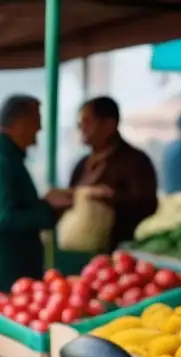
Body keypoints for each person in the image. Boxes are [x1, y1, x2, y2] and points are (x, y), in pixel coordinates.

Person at [0, 95, 73, 295]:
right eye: (36, 120)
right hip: (2, 282)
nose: (40, 128)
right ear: (20, 123)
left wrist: (45, 203)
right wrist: (47, 210)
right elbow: (3, 219)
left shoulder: (2, 155)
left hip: (8, 279)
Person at [69, 97, 158, 249]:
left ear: (109, 124)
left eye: (87, 122)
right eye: (80, 123)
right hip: (79, 248)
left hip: (120, 252)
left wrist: (110, 197)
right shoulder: (82, 164)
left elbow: (147, 205)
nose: (81, 128)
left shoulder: (135, 161)